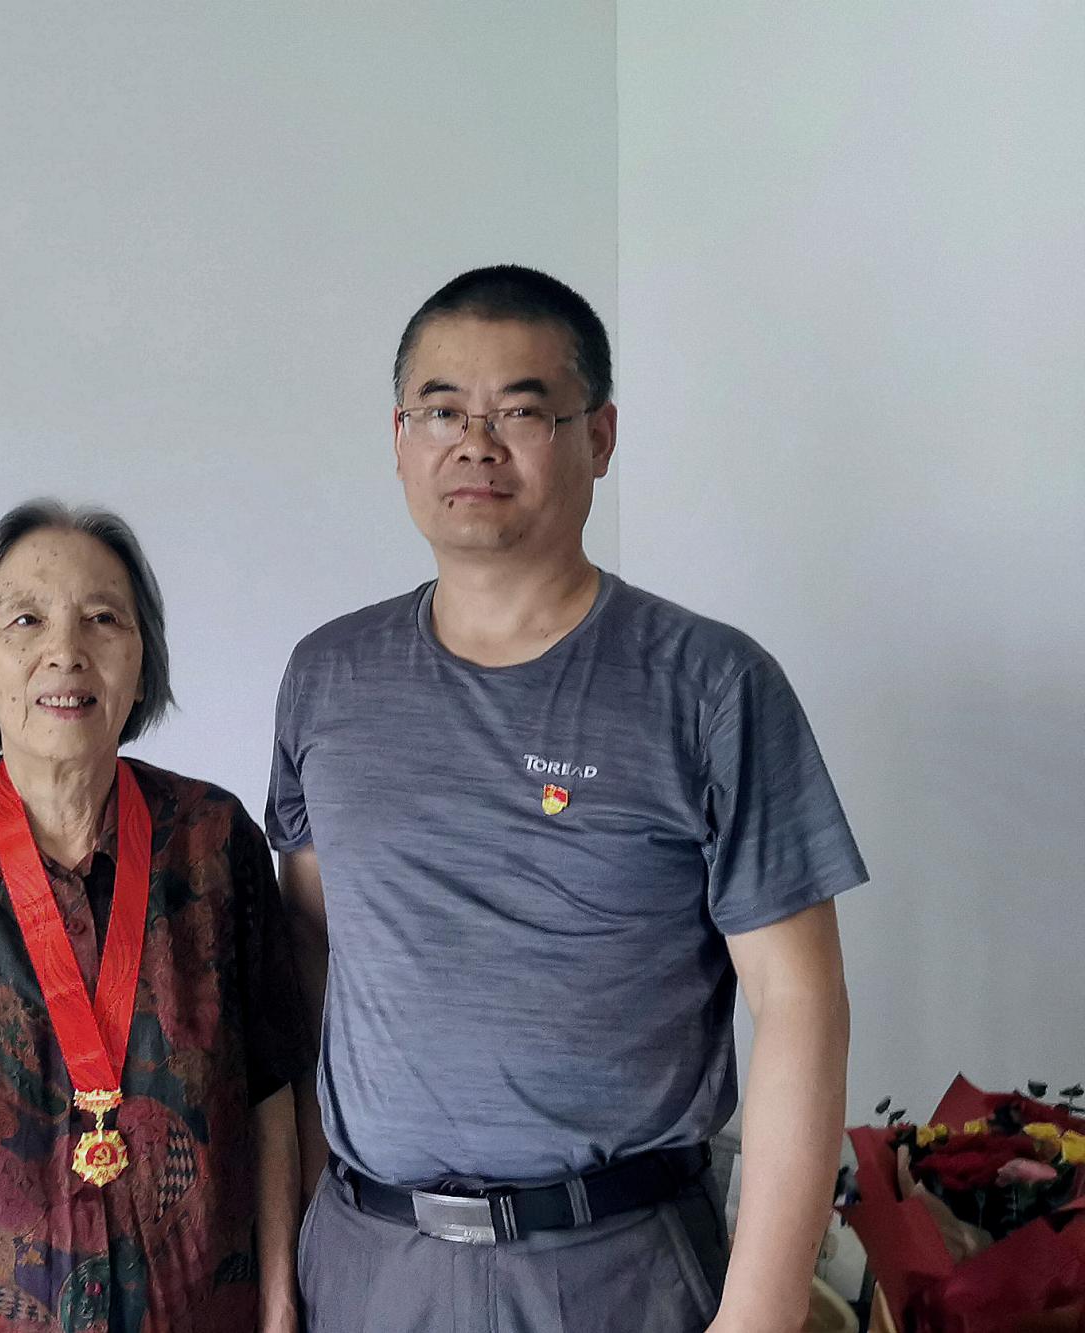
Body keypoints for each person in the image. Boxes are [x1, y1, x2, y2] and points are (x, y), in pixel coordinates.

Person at [271, 265, 867, 1332]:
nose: (474, 443)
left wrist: (761, 1310)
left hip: (614, 1268)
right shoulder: (326, 676)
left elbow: (798, 1003)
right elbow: (314, 948)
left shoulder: (709, 686)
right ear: (398, 438)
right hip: (366, 1264)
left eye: (520, 411)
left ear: (598, 435)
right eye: (440, 410)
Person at [0, 501, 308, 1333]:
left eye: (103, 619)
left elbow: (272, 1094)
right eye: (26, 620)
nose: (66, 651)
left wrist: (282, 1304)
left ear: (142, 663)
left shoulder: (216, 842)